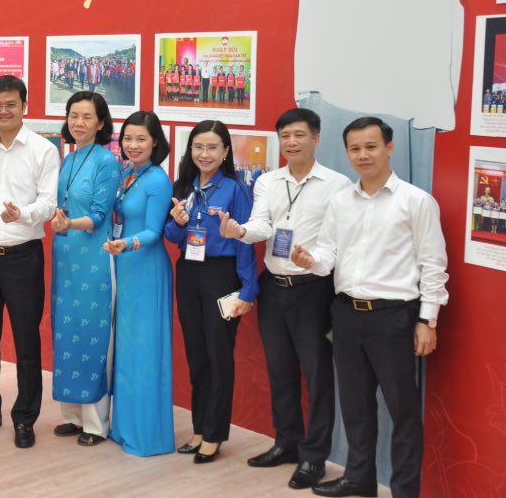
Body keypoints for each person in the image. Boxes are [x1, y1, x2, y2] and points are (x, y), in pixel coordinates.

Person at [292, 117, 449, 498]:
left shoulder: (416, 201)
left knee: (402, 412)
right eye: (355, 149)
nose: (362, 155)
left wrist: (428, 320)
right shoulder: (341, 201)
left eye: (371, 147)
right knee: (356, 407)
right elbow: (328, 253)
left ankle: (405, 491)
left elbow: (433, 265)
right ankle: (359, 479)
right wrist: (310, 260)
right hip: (346, 314)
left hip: (394, 317)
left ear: (389, 148)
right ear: (347, 152)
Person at [217, 108, 350, 489]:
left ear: (316, 138)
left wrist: (314, 260)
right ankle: (287, 442)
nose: (292, 142)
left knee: (318, 376)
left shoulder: (337, 184)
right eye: (286, 136)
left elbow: (335, 240)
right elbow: (262, 225)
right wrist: (240, 231)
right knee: (280, 370)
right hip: (274, 286)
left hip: (313, 289)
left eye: (299, 135)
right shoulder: (268, 181)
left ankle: (314, 457)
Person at [0, 75, 59, 449]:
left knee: (26, 342)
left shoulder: (43, 150)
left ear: (24, 105)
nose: (3, 111)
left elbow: (49, 204)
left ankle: (25, 418)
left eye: (10, 104)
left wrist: (22, 214)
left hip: (24, 258)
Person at [164, 119, 257, 464]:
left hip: (222, 275)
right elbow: (172, 236)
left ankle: (215, 434)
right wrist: (178, 222)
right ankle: (200, 428)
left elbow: (245, 240)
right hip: (188, 272)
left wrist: (248, 289)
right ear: (191, 149)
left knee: (219, 354)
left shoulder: (235, 189)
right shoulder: (184, 186)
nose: (205, 154)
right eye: (199, 147)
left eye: (213, 147)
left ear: (226, 151)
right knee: (197, 354)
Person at [48, 91, 120, 446]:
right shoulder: (70, 157)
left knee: (94, 334)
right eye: (74, 115)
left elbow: (99, 215)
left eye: (87, 116)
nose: (79, 122)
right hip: (65, 256)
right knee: (66, 331)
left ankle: (96, 423)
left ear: (101, 122)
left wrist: (68, 225)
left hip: (94, 257)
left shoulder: (107, 162)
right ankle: (73, 416)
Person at [105, 111, 175, 457]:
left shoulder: (158, 180)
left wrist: (127, 244)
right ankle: (123, 427)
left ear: (155, 142)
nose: (132, 145)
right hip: (124, 265)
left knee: (144, 351)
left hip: (146, 268)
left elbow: (153, 232)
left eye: (141, 139)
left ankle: (147, 435)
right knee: (126, 349)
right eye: (127, 139)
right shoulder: (127, 173)